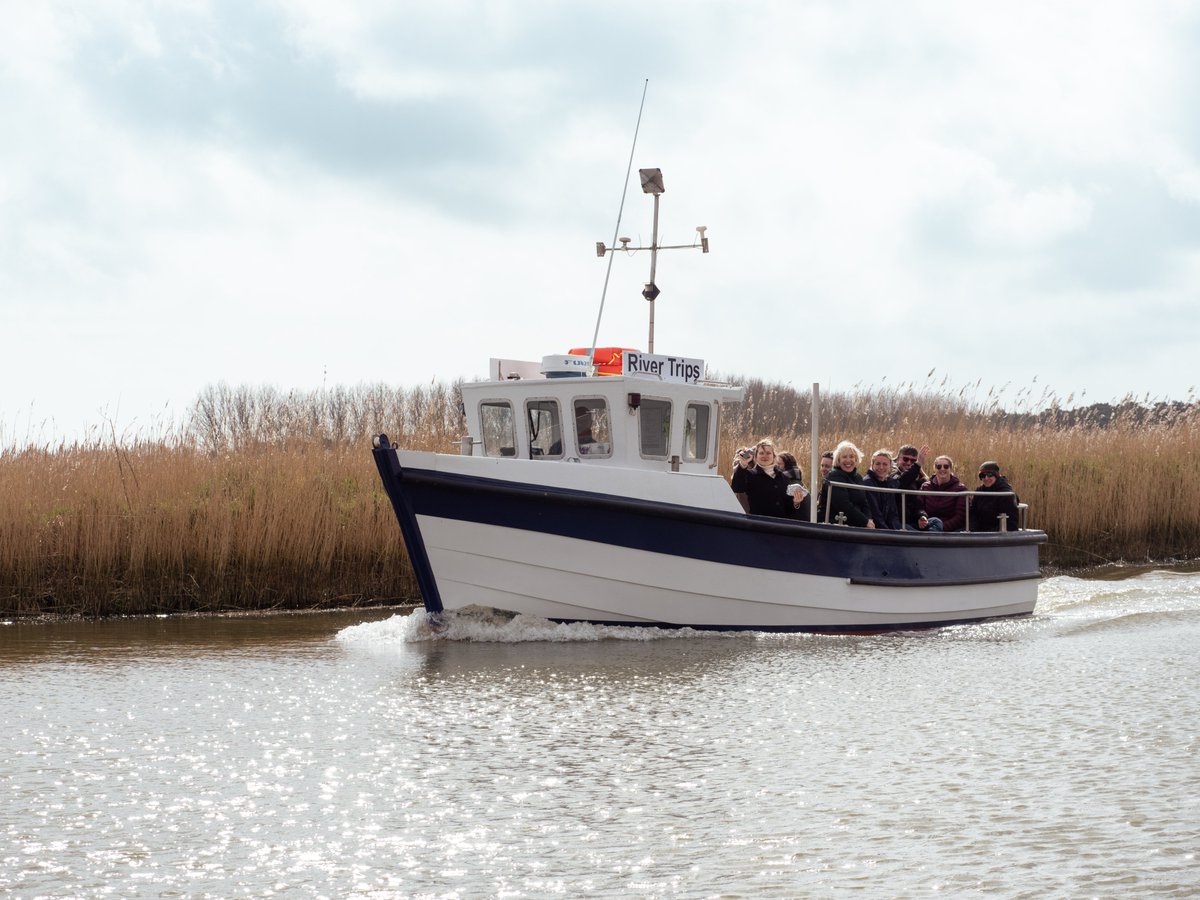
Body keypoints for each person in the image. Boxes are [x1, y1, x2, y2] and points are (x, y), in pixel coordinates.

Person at [730, 439, 808, 519]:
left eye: (768, 453)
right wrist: (743, 464)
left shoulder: (783, 477)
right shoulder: (750, 475)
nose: (765, 456)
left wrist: (796, 503)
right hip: (759, 525)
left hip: (780, 526)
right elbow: (737, 488)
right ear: (756, 457)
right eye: (761, 453)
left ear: (774, 456)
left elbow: (788, 509)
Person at [817, 440, 874, 527]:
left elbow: (864, 503)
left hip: (856, 525)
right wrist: (865, 521)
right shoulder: (833, 477)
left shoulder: (858, 477)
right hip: (833, 525)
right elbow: (844, 505)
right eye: (844, 457)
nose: (848, 460)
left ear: (856, 459)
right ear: (838, 460)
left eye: (851, 456)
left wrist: (869, 519)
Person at [895, 443, 942, 531]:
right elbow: (901, 483)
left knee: (936, 521)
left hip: (914, 520)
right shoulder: (892, 473)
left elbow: (918, 504)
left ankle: (932, 542)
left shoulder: (919, 480)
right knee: (916, 533)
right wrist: (917, 465)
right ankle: (928, 542)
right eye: (905, 459)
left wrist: (922, 516)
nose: (909, 463)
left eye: (913, 461)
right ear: (898, 459)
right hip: (899, 522)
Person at [920, 454, 967, 532]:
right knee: (906, 527)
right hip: (927, 525)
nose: (942, 469)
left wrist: (941, 527)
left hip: (949, 530)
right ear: (934, 469)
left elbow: (960, 517)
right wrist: (922, 517)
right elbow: (919, 507)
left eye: (946, 466)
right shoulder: (925, 487)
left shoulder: (961, 489)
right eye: (939, 467)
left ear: (951, 469)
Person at [971, 460, 1021, 531]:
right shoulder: (979, 492)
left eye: (989, 474)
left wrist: (989, 534)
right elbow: (973, 514)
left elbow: (1011, 524)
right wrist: (973, 531)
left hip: (999, 534)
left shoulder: (1006, 494)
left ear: (996, 475)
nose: (986, 478)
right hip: (980, 532)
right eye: (982, 475)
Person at [863, 449, 902, 530]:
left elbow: (892, 513)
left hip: (887, 529)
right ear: (872, 465)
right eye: (877, 464)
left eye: (885, 464)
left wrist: (897, 531)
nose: (881, 467)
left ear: (890, 466)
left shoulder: (889, 484)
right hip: (874, 530)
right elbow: (875, 513)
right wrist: (888, 532)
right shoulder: (867, 483)